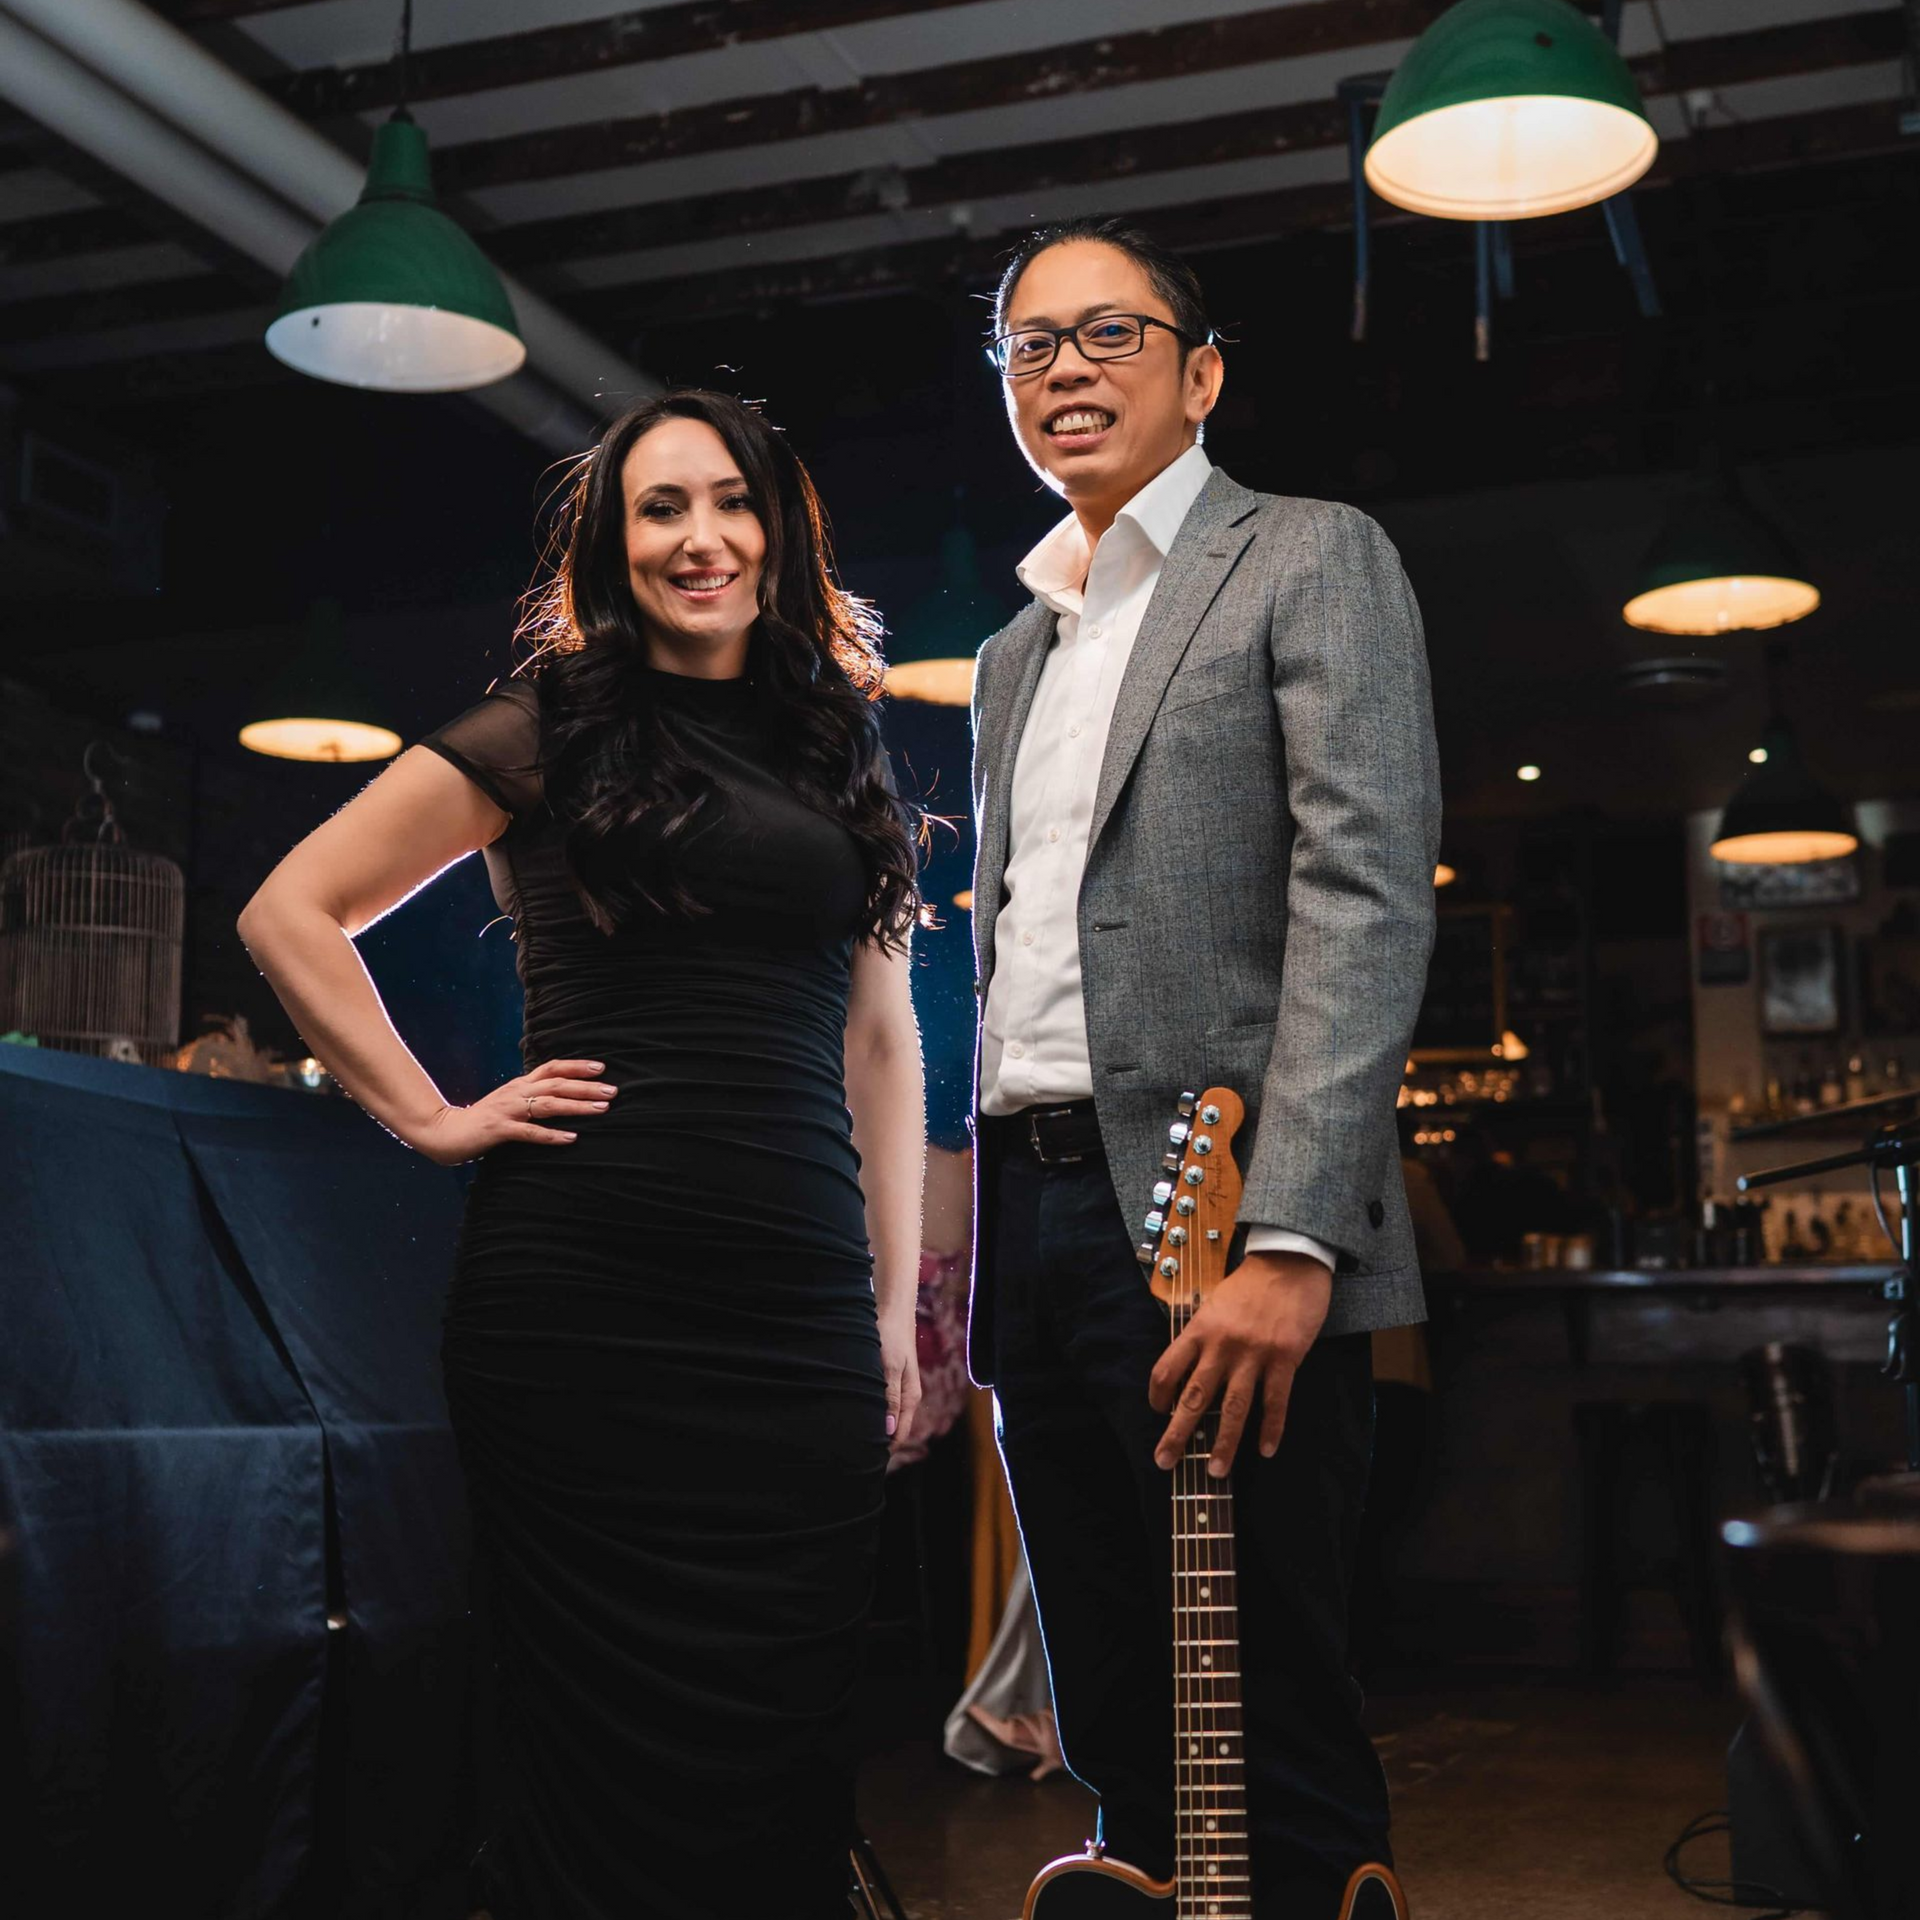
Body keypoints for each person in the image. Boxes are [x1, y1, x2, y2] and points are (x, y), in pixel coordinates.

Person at [237, 389, 927, 1919]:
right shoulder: (546, 723)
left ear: (780, 530)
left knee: (786, 1740)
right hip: (585, 1305)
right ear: (613, 547)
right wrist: (430, 1116)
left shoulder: (834, 739)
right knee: (580, 1751)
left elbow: (882, 1042)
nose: (701, 537)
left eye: (730, 501)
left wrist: (892, 1304)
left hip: (796, 1307)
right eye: (659, 508)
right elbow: (292, 910)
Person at [967, 218, 1441, 1917]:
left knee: (1273, 1712)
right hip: (1033, 1219)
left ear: (1203, 372)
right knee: (1116, 1709)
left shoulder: (1307, 555)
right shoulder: (1015, 649)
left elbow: (1364, 896)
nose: (1066, 370)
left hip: (1219, 1218)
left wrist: (1296, 1239)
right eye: (1030, 345)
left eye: (1111, 333)